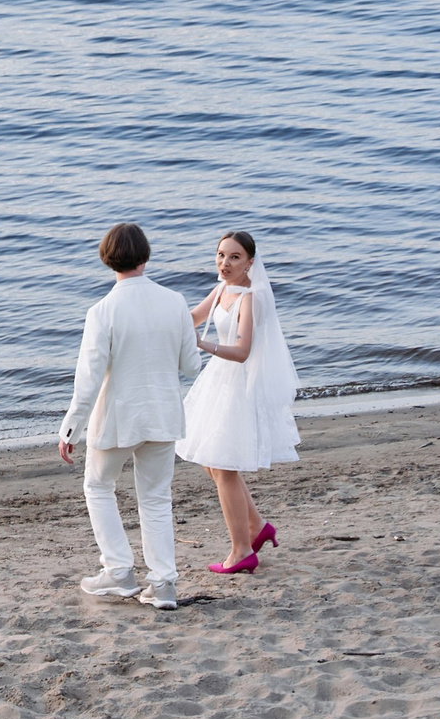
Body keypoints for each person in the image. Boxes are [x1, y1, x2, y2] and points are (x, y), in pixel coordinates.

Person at [59, 221, 204, 611]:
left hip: (119, 418)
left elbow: (88, 380)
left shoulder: (102, 310)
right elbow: (191, 365)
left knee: (98, 487)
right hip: (162, 414)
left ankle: (119, 571)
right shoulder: (174, 301)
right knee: (156, 499)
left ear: (108, 259)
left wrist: (70, 428)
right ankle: (163, 584)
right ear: (145, 255)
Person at [176, 229, 300, 574]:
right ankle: (257, 527)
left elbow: (243, 352)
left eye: (234, 257)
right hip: (217, 381)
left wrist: (203, 346)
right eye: (220, 255)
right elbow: (192, 319)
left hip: (240, 384)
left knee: (223, 464)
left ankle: (241, 549)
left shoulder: (251, 297)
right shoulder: (221, 289)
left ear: (250, 262)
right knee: (209, 461)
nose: (225, 263)